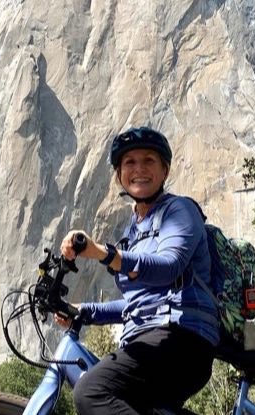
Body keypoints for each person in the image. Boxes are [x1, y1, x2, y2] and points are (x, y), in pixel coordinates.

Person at [58, 126, 219, 415]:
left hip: (182, 340)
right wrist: (85, 310)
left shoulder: (180, 211)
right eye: (129, 162)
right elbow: (138, 304)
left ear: (165, 170)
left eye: (149, 161)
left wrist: (104, 253)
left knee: (93, 391)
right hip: (148, 339)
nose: (139, 169)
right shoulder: (132, 231)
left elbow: (169, 267)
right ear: (119, 174)